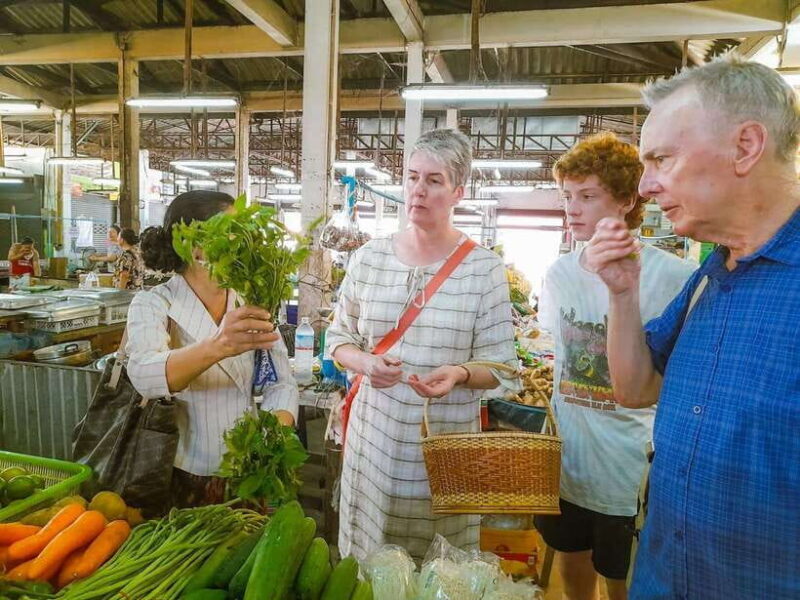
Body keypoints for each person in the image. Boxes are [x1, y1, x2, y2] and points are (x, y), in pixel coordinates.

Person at [584, 54, 800, 598]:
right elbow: (634, 389)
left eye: (662, 159)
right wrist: (622, 292)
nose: (648, 185)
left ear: (745, 147)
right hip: (662, 577)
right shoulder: (709, 275)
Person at [326, 128, 521, 562]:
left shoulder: (483, 269)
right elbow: (337, 339)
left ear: (457, 192)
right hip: (371, 446)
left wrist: (460, 374)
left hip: (441, 453)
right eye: (412, 177)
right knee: (366, 565)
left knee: (434, 570)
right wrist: (366, 362)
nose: (418, 190)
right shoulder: (369, 257)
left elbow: (503, 369)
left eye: (434, 181)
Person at [534, 133, 695, 600]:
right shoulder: (559, 274)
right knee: (572, 560)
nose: (573, 208)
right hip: (570, 459)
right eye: (567, 196)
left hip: (631, 467)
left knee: (624, 577)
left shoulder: (672, 277)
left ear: (627, 200)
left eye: (588, 196)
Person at [126, 190, 299, 507]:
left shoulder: (250, 298)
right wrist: (219, 346)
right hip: (186, 470)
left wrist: (276, 435)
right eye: (232, 232)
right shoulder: (155, 303)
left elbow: (280, 380)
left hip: (250, 468)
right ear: (195, 245)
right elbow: (145, 375)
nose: (244, 243)